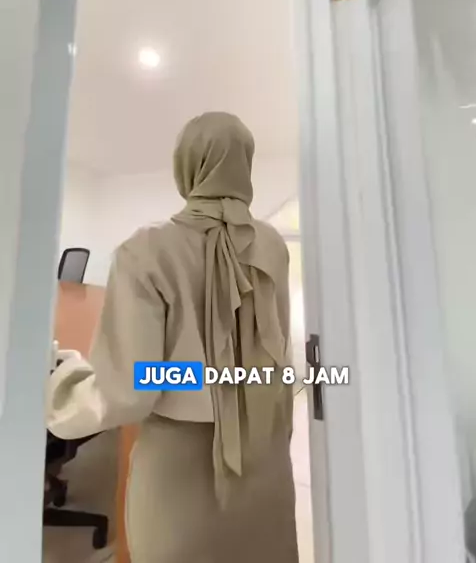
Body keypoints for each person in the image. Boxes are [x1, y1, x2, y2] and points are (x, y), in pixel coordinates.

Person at [47, 111, 298, 563]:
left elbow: (131, 389)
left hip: (177, 469)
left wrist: (62, 383)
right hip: (266, 455)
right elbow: (274, 360)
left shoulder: (146, 250)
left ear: (186, 165)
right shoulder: (272, 246)